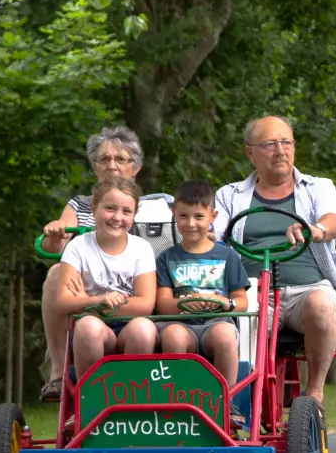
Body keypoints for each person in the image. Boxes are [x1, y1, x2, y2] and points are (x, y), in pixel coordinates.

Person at [213, 115, 336, 404]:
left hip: (308, 289)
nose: (280, 151)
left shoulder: (318, 187)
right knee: (230, 327)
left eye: (286, 142)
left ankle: (314, 392)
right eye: (269, 144)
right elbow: (213, 237)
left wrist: (315, 230)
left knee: (322, 303)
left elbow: (334, 222)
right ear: (249, 151)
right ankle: (242, 405)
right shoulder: (229, 195)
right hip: (254, 293)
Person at [35, 126, 175, 401]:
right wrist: (54, 234)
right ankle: (58, 373)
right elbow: (60, 242)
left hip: (146, 293)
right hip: (89, 297)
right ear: (95, 167)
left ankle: (134, 400)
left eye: (120, 159)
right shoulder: (81, 206)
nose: (112, 165)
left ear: (136, 167)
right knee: (55, 273)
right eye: (104, 159)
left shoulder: (160, 205)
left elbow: (191, 228)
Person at [154, 180, 253, 424]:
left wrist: (223, 302)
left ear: (213, 216)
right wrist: (184, 303)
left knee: (224, 335)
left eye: (199, 216)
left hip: (216, 322)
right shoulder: (167, 258)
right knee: (173, 337)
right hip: (180, 323)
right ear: (173, 214)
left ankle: (225, 403)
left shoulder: (227, 255)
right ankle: (180, 402)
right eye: (183, 216)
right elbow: (162, 303)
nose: (190, 224)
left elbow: (242, 301)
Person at [47, 176, 158, 380]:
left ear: (134, 215)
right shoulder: (78, 247)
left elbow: (145, 304)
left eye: (126, 212)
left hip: (128, 325)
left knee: (144, 329)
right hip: (91, 326)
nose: (117, 217)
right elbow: (63, 302)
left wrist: (84, 301)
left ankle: (131, 395)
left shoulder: (141, 248)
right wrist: (97, 301)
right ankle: (89, 399)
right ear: (94, 208)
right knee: (88, 327)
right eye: (110, 208)